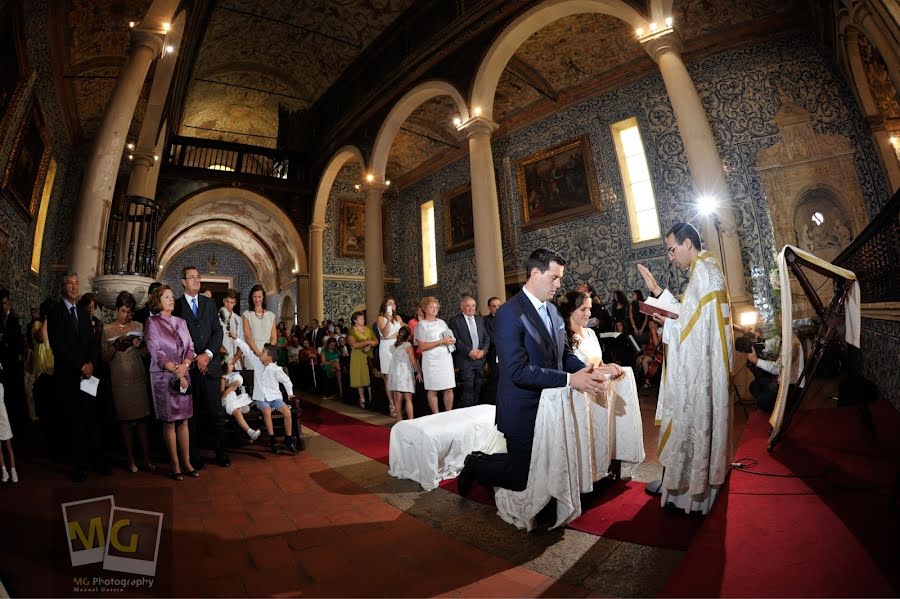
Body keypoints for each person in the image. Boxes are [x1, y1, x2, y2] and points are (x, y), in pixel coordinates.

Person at [458, 249, 608, 495]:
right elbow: (517, 371)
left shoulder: (552, 310)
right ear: (536, 274)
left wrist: (587, 371)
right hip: (522, 408)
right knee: (521, 476)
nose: (559, 284)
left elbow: (564, 355)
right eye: (555, 278)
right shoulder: (508, 313)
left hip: (552, 405)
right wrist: (571, 380)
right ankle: (475, 465)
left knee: (542, 465)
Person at [637, 222, 733, 515]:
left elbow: (689, 329)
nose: (671, 256)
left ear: (687, 243)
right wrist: (656, 291)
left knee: (692, 422)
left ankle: (689, 494)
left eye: (671, 249)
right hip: (706, 367)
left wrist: (667, 327)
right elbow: (691, 313)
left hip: (700, 373)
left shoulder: (703, 273)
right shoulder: (706, 269)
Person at [47, 272, 104, 482]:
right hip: (69, 377)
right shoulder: (55, 313)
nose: (73, 287)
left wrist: (90, 364)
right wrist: (80, 366)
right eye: (70, 283)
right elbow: (58, 347)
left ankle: (97, 461)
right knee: (74, 422)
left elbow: (91, 343)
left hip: (88, 376)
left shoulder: (82, 311)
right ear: (63, 287)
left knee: (91, 418)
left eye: (76, 283)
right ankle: (79, 466)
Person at [174, 266, 229, 468]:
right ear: (183, 282)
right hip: (190, 370)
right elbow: (177, 338)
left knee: (216, 413)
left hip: (211, 367)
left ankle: (220, 453)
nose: (196, 280)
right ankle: (194, 457)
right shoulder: (178, 307)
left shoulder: (209, 303)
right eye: (191, 277)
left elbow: (217, 332)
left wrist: (208, 355)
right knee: (192, 415)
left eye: (198, 277)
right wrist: (196, 358)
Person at [146, 285, 199, 480]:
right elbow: (155, 350)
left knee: (184, 420)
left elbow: (191, 347)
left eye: (171, 296)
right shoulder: (152, 322)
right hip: (163, 377)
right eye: (166, 297)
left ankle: (187, 462)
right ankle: (175, 464)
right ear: (158, 302)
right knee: (169, 422)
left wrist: (184, 366)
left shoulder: (182, 322)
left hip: (183, 375)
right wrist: (174, 369)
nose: (171, 299)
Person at [101, 291, 153, 473]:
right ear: (117, 310)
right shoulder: (107, 329)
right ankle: (131, 459)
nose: (127, 315)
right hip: (119, 381)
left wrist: (140, 346)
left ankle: (146, 458)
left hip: (138, 379)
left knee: (142, 421)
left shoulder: (138, 326)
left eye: (129, 312)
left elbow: (147, 355)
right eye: (123, 311)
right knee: (125, 422)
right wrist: (115, 345)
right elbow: (104, 358)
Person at [232, 337, 299, 454]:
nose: (260, 353)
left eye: (263, 352)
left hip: (275, 398)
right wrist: (236, 339)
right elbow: (247, 350)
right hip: (261, 398)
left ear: (269, 357)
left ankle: (288, 439)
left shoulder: (276, 369)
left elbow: (287, 381)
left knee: (287, 412)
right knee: (267, 411)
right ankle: (273, 440)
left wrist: (290, 394)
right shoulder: (257, 363)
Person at [414, 297, 456, 414]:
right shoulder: (421, 325)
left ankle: (449, 414)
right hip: (431, 361)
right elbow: (421, 347)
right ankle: (436, 415)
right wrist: (440, 342)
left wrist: (452, 340)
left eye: (436, 307)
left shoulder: (442, 322)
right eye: (431, 307)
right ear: (424, 309)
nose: (435, 309)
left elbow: (448, 335)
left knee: (448, 387)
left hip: (445, 359)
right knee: (433, 389)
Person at [448, 296, 491, 408]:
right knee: (468, 387)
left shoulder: (480, 319)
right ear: (462, 307)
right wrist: (469, 352)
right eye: (467, 306)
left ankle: (477, 409)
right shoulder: (455, 320)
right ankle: (467, 411)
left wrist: (484, 351)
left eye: (473, 306)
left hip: (480, 359)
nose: (471, 308)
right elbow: (456, 340)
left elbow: (486, 337)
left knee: (480, 386)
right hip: (466, 360)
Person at [0, 289, 26, 429]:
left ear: (9, 302)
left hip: (14, 362)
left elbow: (16, 341)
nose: (3, 307)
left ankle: (17, 421)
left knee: (16, 391)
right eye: (1, 304)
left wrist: (5, 341)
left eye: (4, 303)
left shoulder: (14, 320)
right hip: (3, 362)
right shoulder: (0, 319)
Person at [219, 363, 260, 443]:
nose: (233, 365)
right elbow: (223, 395)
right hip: (226, 401)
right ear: (226, 367)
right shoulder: (223, 379)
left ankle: (244, 435)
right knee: (237, 413)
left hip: (233, 398)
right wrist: (232, 386)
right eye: (230, 364)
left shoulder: (232, 376)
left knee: (246, 406)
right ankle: (250, 433)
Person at [376, 298, 404, 416]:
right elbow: (385, 334)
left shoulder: (398, 318)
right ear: (384, 306)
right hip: (386, 349)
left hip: (398, 348)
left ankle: (399, 404)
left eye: (394, 303)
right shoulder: (380, 318)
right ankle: (391, 404)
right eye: (389, 303)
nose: (393, 305)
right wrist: (388, 320)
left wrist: (394, 336)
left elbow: (404, 332)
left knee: (398, 376)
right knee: (388, 377)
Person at [387, 325, 420, 420]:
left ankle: (399, 422)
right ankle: (410, 421)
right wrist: (418, 371)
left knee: (397, 400)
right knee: (408, 399)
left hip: (395, 373)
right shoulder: (408, 346)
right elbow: (413, 361)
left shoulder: (394, 346)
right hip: (405, 374)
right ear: (409, 336)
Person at [242, 285, 277, 371]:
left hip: (268, 355)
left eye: (259, 297)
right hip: (253, 353)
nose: (257, 300)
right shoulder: (247, 314)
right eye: (254, 297)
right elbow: (248, 337)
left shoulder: (271, 315)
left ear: (263, 297)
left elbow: (274, 338)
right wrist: (258, 353)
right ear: (251, 298)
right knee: (253, 382)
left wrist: (267, 353)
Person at [347, 311, 377, 408]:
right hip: (357, 356)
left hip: (368, 355)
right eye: (361, 318)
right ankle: (362, 398)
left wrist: (369, 346)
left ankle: (372, 398)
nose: (363, 320)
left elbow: (376, 341)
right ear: (355, 320)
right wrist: (368, 342)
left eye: (363, 318)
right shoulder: (351, 330)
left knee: (369, 376)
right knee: (359, 377)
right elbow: (354, 345)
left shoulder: (368, 328)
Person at [483, 296, 502, 405]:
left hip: (507, 353)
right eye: (494, 306)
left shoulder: (507, 317)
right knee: (496, 378)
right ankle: (495, 404)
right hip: (494, 353)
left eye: (499, 305)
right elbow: (489, 337)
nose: (497, 308)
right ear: (489, 308)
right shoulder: (485, 320)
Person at [219, 289, 243, 370]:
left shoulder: (239, 320)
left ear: (235, 303)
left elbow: (241, 342)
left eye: (232, 302)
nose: (229, 305)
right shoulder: (215, 318)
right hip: (220, 360)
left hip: (235, 361)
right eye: (227, 301)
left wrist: (234, 359)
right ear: (223, 300)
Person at [0, 381, 18, 483]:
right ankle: (4, 471)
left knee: (8, 446)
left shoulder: (1, 386)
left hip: (3, 420)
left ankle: (13, 470)